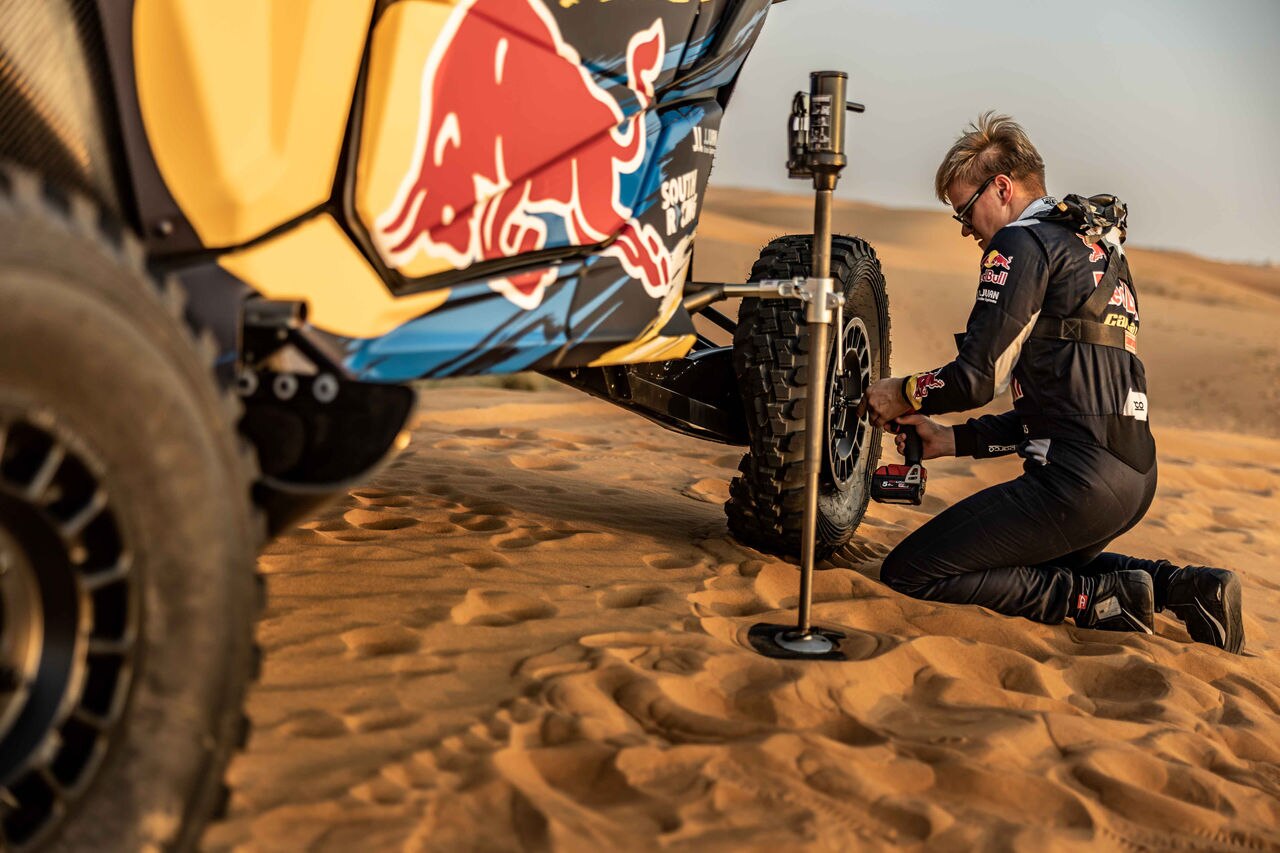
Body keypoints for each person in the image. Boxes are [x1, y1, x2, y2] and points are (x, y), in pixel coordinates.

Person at [858, 111, 1244, 653]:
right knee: (1024, 558)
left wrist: (900, 391)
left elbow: (974, 379)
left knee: (913, 570)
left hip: (1077, 483)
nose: (966, 229)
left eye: (964, 212)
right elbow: (1065, 403)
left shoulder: (1022, 244)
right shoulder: (1097, 249)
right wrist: (954, 440)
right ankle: (1184, 587)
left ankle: (1101, 601)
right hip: (1133, 475)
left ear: (1002, 187)